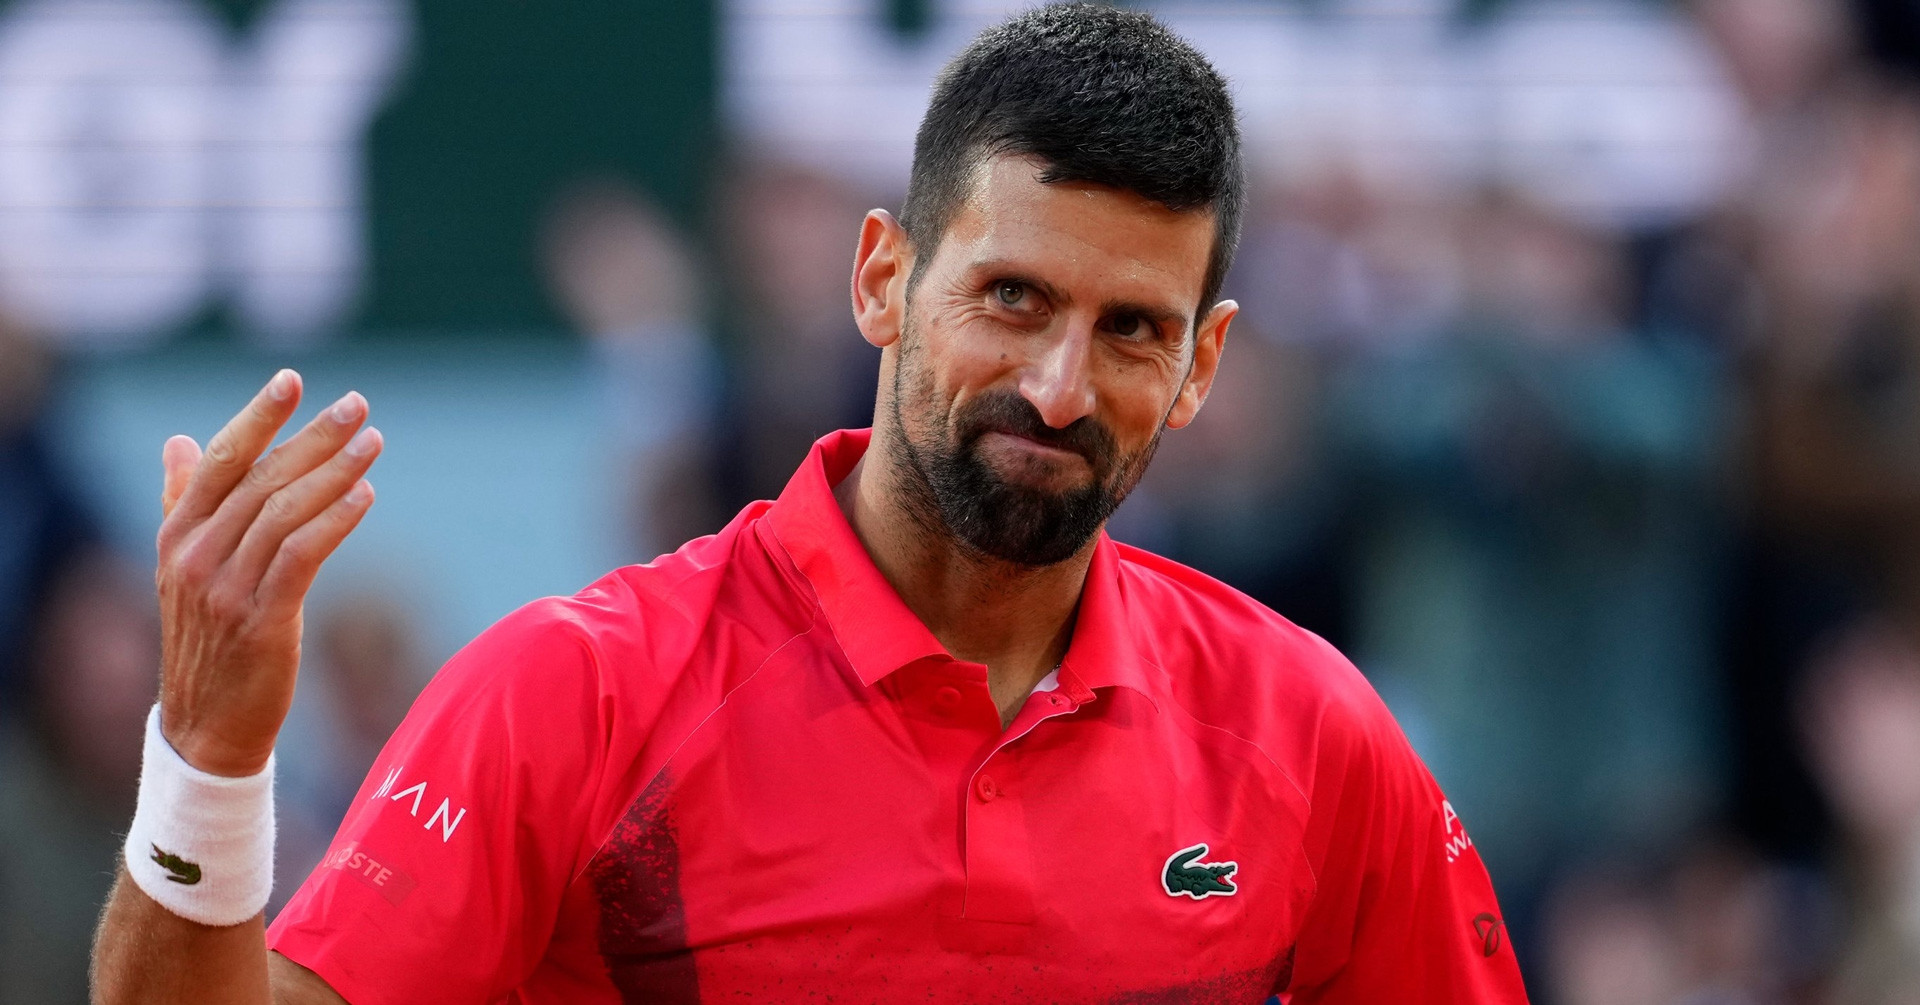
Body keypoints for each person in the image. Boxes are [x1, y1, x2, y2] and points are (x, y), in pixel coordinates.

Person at [90, 5, 1529, 1002]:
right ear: (882, 279)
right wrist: (209, 759)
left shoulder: (1310, 737)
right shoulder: (577, 697)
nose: (1058, 386)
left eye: (1133, 330)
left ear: (1203, 364)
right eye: (1011, 298)